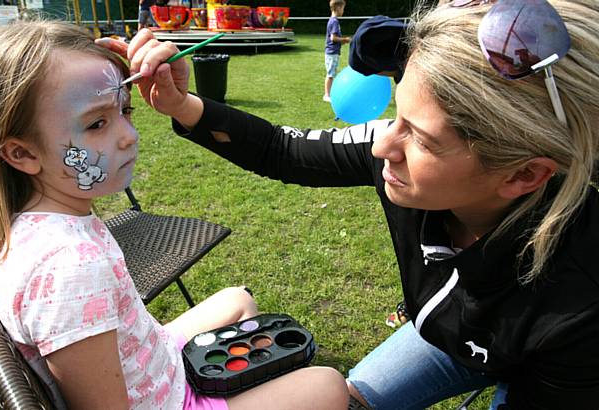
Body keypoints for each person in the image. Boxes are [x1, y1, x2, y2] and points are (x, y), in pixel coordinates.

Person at [100, 0, 599, 407]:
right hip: (449, 337)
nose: (381, 147)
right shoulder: (394, 152)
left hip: (548, 364)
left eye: (420, 140)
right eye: (396, 114)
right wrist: (181, 105)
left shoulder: (581, 303)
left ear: (524, 174)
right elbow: (284, 150)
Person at [0, 20, 349, 410]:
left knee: (237, 301)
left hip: (152, 361)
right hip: (169, 401)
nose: (130, 134)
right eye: (97, 123)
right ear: (22, 154)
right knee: (329, 385)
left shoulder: (26, 223)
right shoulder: (71, 269)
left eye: (124, 110)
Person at [323, 0, 350, 102]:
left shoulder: (332, 20)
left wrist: (342, 41)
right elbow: (333, 38)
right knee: (330, 74)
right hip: (332, 52)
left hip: (332, 52)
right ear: (338, 8)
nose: (343, 11)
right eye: (343, 8)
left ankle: (329, 93)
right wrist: (345, 40)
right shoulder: (334, 21)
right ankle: (327, 95)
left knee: (332, 73)